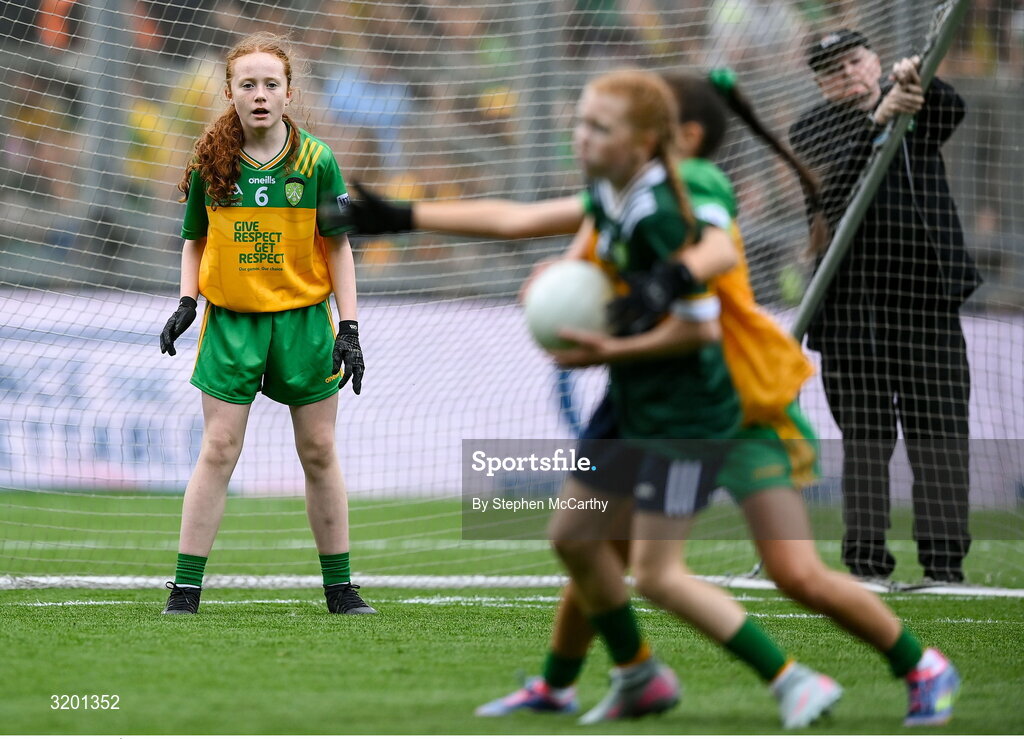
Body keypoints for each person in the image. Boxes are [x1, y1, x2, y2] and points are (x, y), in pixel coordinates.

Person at [336, 70, 962, 729]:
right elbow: (525, 219)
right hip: (651, 392)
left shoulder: (687, 193)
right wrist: (404, 216)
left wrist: (657, 291)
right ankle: (602, 677)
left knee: (778, 571)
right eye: (581, 121)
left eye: (599, 125)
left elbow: (709, 265)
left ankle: (897, 666)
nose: (581, 136)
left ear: (664, 136)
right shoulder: (620, 190)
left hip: (725, 397)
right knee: (586, 538)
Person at [157, 32, 375, 616]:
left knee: (321, 450)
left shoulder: (317, 161)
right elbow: (193, 240)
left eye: (270, 84)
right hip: (232, 323)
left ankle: (340, 588)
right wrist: (187, 302)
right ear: (229, 92)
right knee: (219, 448)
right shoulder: (211, 161)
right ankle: (185, 587)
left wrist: (348, 328)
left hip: (305, 323)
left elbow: (340, 248)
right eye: (247, 84)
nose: (259, 95)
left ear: (289, 93)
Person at [789, 30, 983, 585]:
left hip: (927, 304)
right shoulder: (811, 128)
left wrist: (913, 82)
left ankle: (945, 567)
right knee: (866, 444)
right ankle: (867, 563)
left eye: (855, 61)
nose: (847, 74)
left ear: (874, 60)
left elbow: (951, 110)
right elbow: (833, 189)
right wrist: (878, 115)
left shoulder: (913, 103)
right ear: (820, 84)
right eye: (833, 70)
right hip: (851, 311)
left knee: (941, 437)